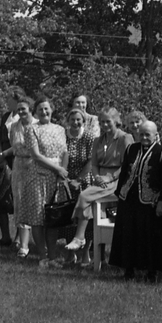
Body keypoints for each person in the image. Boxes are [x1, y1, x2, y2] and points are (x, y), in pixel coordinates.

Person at [109, 120, 162, 280]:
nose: (144, 137)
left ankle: (151, 271)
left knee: (150, 238)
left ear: (155, 135)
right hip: (128, 199)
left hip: (150, 202)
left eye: (147, 135)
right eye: (141, 134)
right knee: (128, 235)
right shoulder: (131, 148)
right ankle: (128, 269)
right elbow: (124, 172)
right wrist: (119, 193)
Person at [64, 108, 132, 254]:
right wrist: (97, 177)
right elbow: (94, 164)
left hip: (118, 178)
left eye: (108, 121)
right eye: (102, 122)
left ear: (116, 121)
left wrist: (111, 177)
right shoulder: (98, 140)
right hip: (100, 178)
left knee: (84, 196)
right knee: (88, 199)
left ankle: (79, 237)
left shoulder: (125, 138)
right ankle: (83, 240)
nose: (104, 125)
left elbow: (129, 164)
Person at [15, 97, 69, 264]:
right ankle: (42, 256)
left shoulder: (60, 129)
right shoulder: (32, 129)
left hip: (56, 178)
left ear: (52, 110)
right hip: (38, 177)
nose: (44, 112)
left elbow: (65, 153)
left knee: (52, 217)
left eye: (46, 109)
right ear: (36, 112)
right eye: (40, 109)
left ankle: (52, 256)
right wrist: (57, 169)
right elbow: (36, 155)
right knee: (38, 218)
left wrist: (62, 173)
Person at [0, 88, 28, 248]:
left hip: (18, 160)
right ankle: (5, 236)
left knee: (18, 199)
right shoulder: (6, 116)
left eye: (9, 99)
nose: (7, 101)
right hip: (3, 161)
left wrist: (5, 154)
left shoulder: (24, 118)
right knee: (1, 197)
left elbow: (22, 143)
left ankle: (19, 238)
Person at [61, 107, 94, 264]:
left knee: (85, 217)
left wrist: (78, 180)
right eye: (72, 119)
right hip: (66, 180)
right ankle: (70, 253)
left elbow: (91, 160)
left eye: (78, 120)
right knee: (69, 217)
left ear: (83, 121)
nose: (75, 122)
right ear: (68, 120)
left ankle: (85, 252)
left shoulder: (88, 136)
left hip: (84, 181)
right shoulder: (63, 135)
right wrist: (65, 179)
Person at [5, 96, 34, 251]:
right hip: (18, 166)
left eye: (24, 109)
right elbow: (13, 145)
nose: (21, 112)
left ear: (30, 110)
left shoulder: (38, 125)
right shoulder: (14, 127)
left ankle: (39, 242)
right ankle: (22, 243)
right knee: (19, 202)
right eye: (19, 109)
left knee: (34, 203)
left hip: (34, 165)